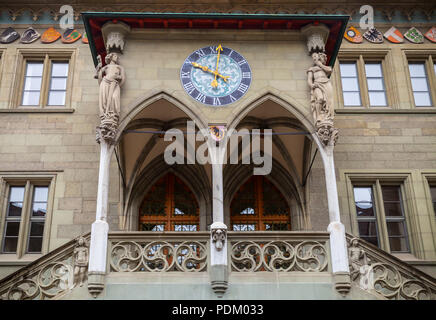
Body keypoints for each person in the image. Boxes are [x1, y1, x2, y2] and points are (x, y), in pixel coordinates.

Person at [307, 52, 334, 124]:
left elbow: (329, 70)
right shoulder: (312, 69)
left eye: (324, 59)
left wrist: (320, 65)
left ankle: (327, 116)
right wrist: (312, 85)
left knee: (329, 101)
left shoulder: (325, 68)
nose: (324, 60)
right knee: (320, 98)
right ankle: (319, 116)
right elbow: (309, 79)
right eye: (322, 59)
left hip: (326, 83)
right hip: (317, 84)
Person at [98, 52, 126, 122]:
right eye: (115, 56)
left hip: (115, 84)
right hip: (105, 82)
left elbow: (123, 78)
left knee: (114, 97)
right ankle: (106, 114)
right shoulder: (106, 67)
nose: (117, 57)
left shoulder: (119, 67)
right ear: (111, 57)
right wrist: (99, 68)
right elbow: (99, 76)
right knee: (105, 99)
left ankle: (113, 114)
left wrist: (118, 82)